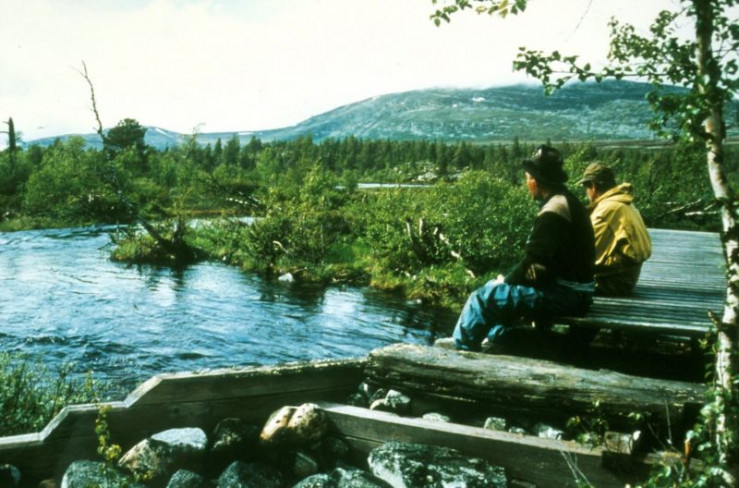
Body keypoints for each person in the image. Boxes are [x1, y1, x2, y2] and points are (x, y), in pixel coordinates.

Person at [437, 145, 595, 352]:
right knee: (497, 294)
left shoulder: (554, 211)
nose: (526, 183)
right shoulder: (566, 201)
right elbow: (543, 262)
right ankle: (501, 341)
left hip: (566, 295)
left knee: (482, 298)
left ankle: (460, 353)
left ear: (535, 181)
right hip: (575, 292)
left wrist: (506, 281)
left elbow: (534, 262)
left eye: (527, 178)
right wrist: (512, 279)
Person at [578, 163, 651, 296]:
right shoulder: (625, 203)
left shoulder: (607, 210)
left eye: (586, 187)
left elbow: (587, 255)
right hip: (627, 278)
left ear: (593, 186)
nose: (586, 192)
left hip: (613, 282)